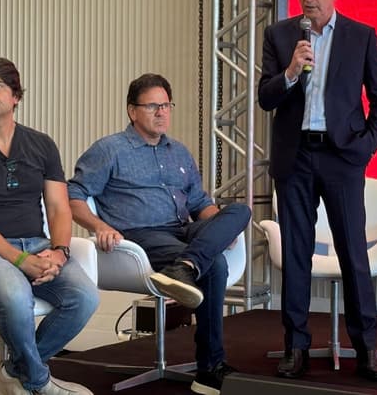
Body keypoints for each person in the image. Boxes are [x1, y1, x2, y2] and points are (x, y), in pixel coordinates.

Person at [67, 73, 251, 395]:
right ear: (132, 111)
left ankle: (186, 266)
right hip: (141, 235)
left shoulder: (178, 152)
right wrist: (99, 226)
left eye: (166, 105)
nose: (162, 112)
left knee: (239, 212)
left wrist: (221, 229)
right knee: (217, 265)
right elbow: (74, 194)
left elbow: (200, 203)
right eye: (152, 106)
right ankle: (210, 369)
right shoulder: (110, 149)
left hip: (184, 230)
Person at [258, 0, 377, 382]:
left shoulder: (360, 36)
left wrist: (363, 148)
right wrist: (293, 71)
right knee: (296, 255)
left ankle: (366, 348)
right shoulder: (280, 37)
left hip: (341, 158)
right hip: (294, 158)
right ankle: (295, 346)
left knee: (353, 252)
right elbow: (266, 97)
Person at [0, 57, 99, 395]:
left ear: (16, 96)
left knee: (84, 297)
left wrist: (59, 251)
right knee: (16, 297)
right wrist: (18, 259)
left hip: (38, 244)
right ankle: (40, 382)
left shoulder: (41, 144)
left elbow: (58, 207)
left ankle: (14, 372)